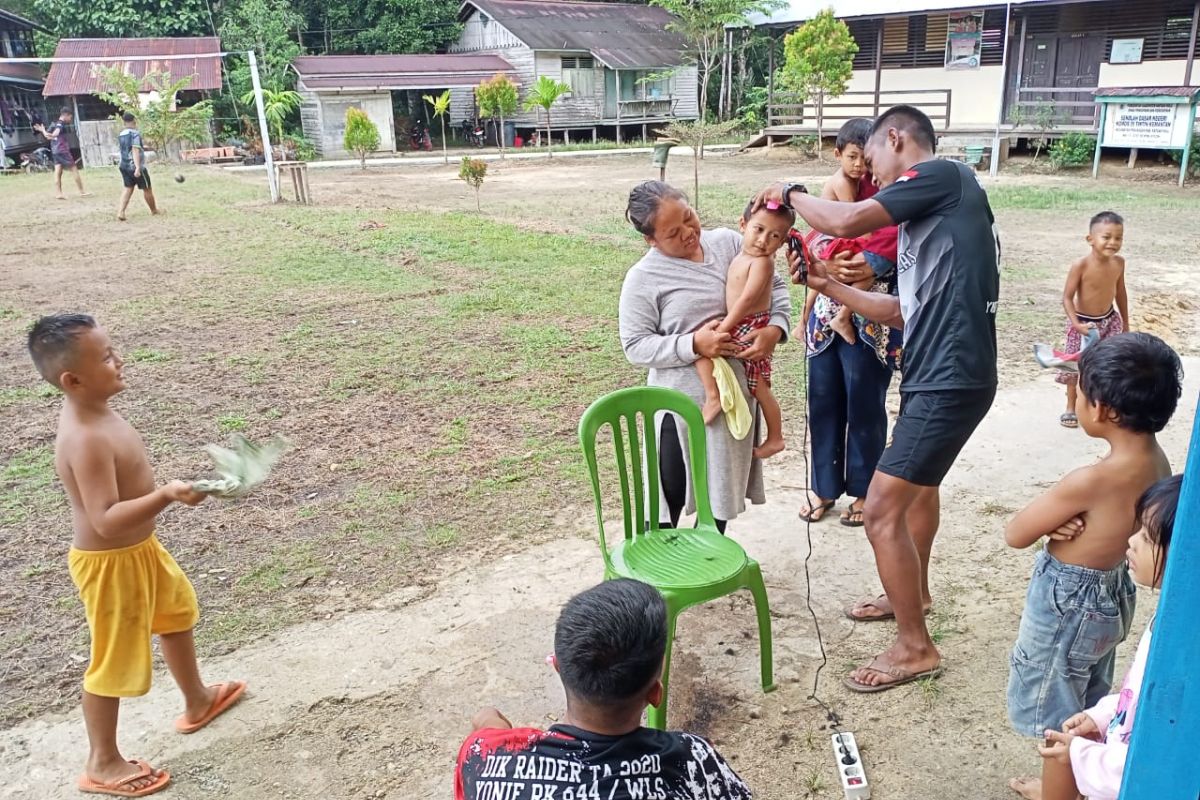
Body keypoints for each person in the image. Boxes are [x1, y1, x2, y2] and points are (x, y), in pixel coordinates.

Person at [756, 104, 1001, 692]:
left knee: (883, 508)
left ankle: (916, 647)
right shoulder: (934, 218)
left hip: (948, 378)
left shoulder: (943, 175)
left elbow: (846, 221)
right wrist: (826, 284)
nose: (874, 176)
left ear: (896, 139)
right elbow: (901, 313)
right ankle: (912, 594)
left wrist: (788, 192)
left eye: (877, 162)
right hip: (943, 372)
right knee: (918, 493)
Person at [27, 314, 245, 798]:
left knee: (176, 613)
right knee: (113, 659)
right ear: (72, 380)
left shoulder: (100, 410)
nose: (118, 360)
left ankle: (198, 699)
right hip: (110, 565)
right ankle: (102, 761)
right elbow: (104, 518)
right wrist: (166, 495)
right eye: (105, 357)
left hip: (141, 551)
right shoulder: (84, 437)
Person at [1005, 333, 1180, 752]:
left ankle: (1061, 788)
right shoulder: (1158, 461)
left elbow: (1015, 533)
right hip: (1112, 595)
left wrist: (1052, 524)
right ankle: (1079, 778)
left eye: (1078, 392)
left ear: (1101, 409)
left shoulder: (1090, 480)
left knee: (1054, 705)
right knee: (1087, 692)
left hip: (1068, 601)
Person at [455, 579, 753, 800]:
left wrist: (489, 722)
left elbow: (485, 731)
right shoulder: (691, 760)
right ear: (655, 695)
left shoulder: (485, 759)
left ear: (558, 667)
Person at [619, 182, 792, 531]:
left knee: (718, 497)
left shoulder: (729, 243)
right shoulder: (643, 278)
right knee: (668, 495)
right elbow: (635, 345)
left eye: (688, 217)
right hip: (680, 406)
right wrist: (694, 344)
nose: (688, 233)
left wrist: (775, 329)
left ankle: (710, 569)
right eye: (672, 232)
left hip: (733, 404)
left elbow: (775, 288)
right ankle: (659, 579)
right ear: (651, 240)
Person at [1009, 473, 1184, 800]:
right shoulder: (1172, 621)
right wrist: (1103, 716)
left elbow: (1156, 770)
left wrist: (1082, 756)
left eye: (1148, 537)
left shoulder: (1186, 655)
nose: (1131, 541)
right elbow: (1141, 696)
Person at [797, 118, 902, 528]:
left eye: (868, 156)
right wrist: (823, 268)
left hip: (872, 316)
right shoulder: (838, 187)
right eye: (856, 156)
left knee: (865, 406)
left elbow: (897, 245)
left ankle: (864, 490)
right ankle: (823, 487)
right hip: (826, 316)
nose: (864, 165)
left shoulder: (897, 193)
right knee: (822, 403)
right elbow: (817, 238)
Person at [693, 200, 791, 459]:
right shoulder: (740, 254)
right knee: (703, 353)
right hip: (741, 321)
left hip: (749, 324)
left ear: (782, 243)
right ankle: (714, 396)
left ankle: (776, 437)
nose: (763, 240)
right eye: (758, 230)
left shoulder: (762, 263)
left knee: (758, 386)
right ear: (743, 225)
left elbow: (747, 300)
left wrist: (725, 326)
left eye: (774, 236)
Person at [800, 118, 882, 347]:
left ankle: (806, 319)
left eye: (864, 159)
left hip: (831, 232)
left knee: (830, 277)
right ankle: (842, 316)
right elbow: (851, 219)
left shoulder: (857, 177)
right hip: (829, 235)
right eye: (852, 157)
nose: (858, 165)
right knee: (869, 268)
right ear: (838, 154)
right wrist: (869, 236)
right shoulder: (843, 181)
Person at [1057, 211, 1130, 428]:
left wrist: (1125, 322)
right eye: (1106, 237)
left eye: (1118, 238)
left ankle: (1104, 404)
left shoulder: (1119, 263)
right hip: (1082, 324)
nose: (1113, 242)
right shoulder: (1080, 265)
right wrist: (1076, 324)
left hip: (1109, 321)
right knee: (1072, 365)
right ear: (1090, 239)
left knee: (1110, 364)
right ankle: (1071, 406)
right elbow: (1067, 298)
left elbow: (1121, 293)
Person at [34, 106, 90, 200]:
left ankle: (59, 193)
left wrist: (43, 130)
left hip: (55, 151)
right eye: (70, 117)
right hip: (62, 150)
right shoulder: (60, 123)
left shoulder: (54, 123)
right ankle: (82, 192)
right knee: (74, 169)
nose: (70, 119)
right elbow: (55, 134)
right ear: (66, 115)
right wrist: (52, 134)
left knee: (58, 172)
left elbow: (48, 137)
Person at [117, 112, 160, 221]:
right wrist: (137, 167)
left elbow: (128, 148)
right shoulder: (135, 134)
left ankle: (121, 211)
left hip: (124, 165)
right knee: (147, 188)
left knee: (128, 188)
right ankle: (154, 210)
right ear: (134, 121)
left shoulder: (121, 134)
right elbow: (134, 149)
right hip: (135, 166)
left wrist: (143, 147)